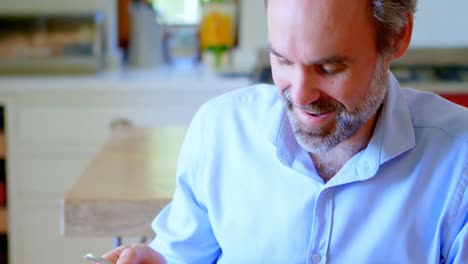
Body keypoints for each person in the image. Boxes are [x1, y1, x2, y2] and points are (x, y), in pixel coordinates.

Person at [103, 0, 467, 263]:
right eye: (282, 60)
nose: (300, 94)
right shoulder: (219, 130)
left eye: (328, 67)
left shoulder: (458, 162)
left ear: (397, 38)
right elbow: (181, 254)